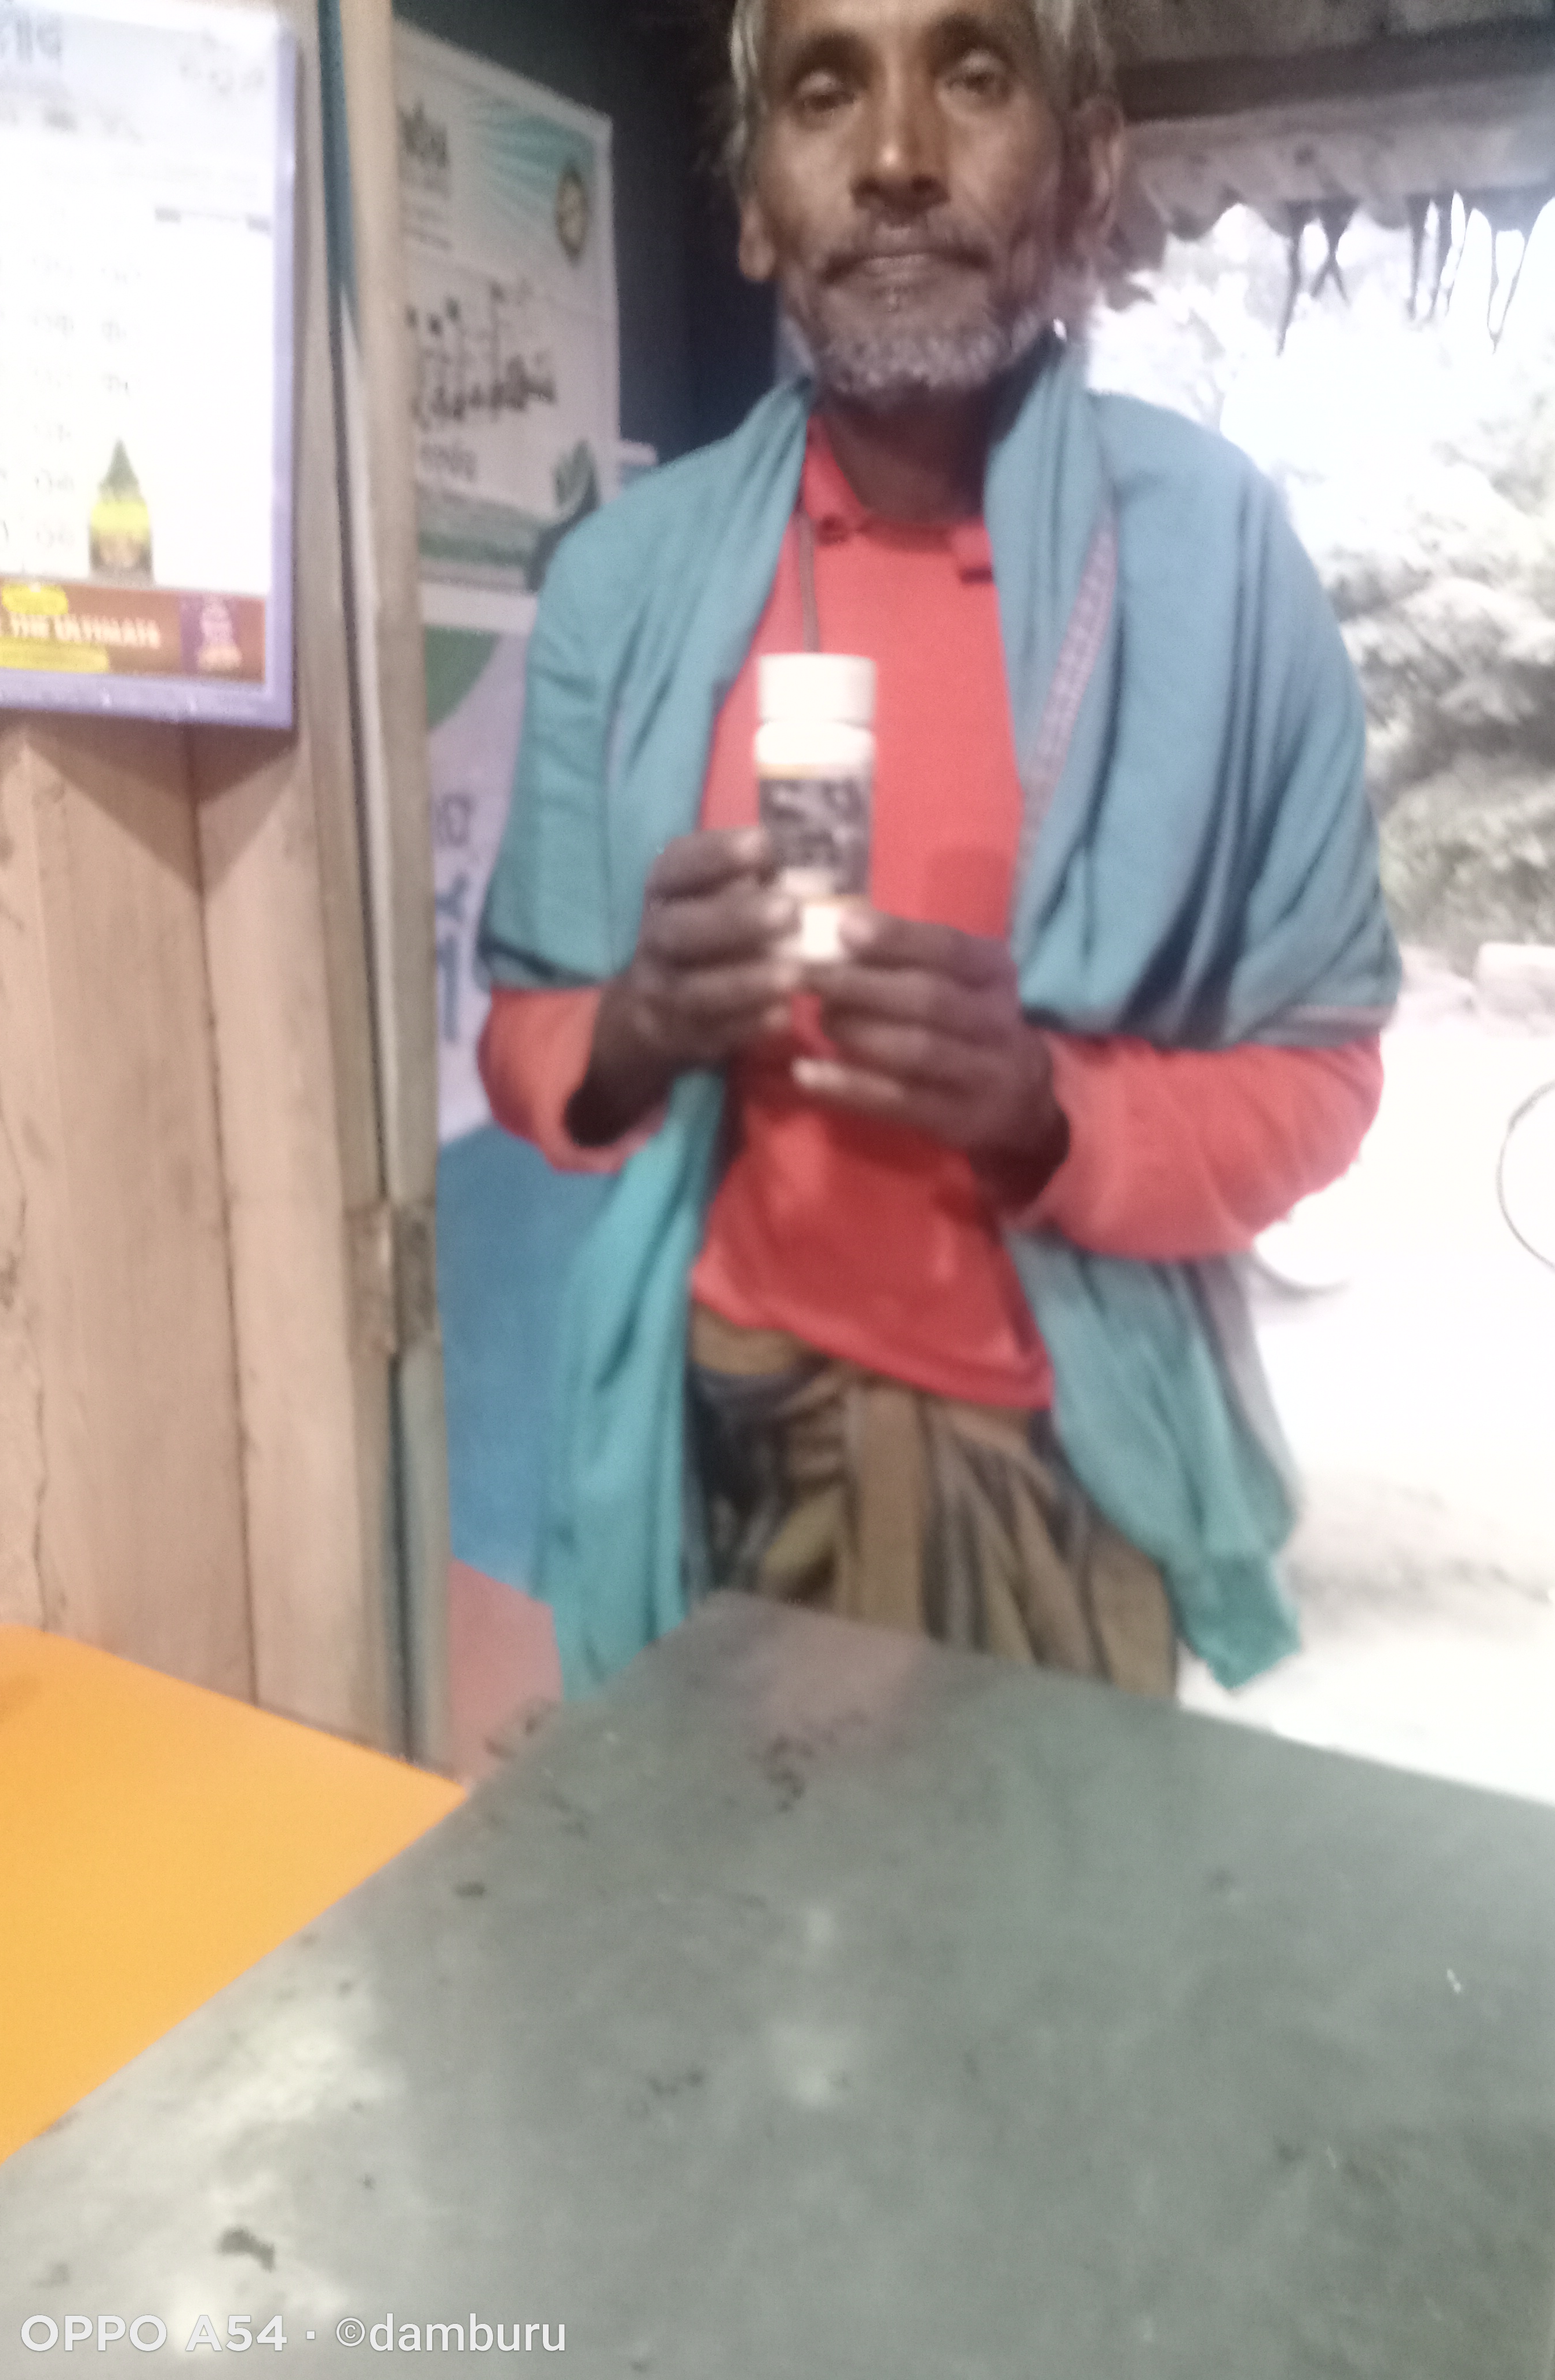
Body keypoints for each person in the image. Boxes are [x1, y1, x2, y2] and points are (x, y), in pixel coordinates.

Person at [477, 0, 1400, 1699]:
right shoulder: (627, 584)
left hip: (1075, 1481)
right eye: (826, 91)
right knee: (721, 1880)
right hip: (720, 1450)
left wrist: (1055, 1114)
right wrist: (633, 1034)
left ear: (1088, 172)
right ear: (756, 206)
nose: (898, 156)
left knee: (1052, 1891)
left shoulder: (1212, 562)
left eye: (973, 76)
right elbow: (532, 1038)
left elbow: (1326, 1074)